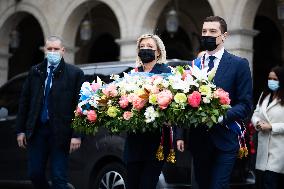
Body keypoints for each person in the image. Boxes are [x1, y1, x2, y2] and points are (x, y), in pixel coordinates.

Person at [176, 16, 253, 189]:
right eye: (204, 32)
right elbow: (182, 101)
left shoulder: (239, 64)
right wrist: (180, 133)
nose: (207, 35)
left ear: (224, 36)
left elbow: (245, 104)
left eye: (213, 31)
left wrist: (220, 117)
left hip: (225, 140)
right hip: (199, 141)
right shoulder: (194, 65)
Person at [16, 36, 84, 189]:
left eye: (56, 49)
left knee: (59, 177)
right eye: (49, 49)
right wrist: (20, 130)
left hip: (61, 133)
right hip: (37, 131)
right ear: (45, 50)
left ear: (63, 51)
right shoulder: (35, 71)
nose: (52, 52)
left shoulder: (75, 74)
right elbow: (24, 101)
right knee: (34, 174)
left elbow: (81, 105)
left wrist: (77, 134)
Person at [124, 34, 171, 189]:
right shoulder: (132, 74)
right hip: (134, 141)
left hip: (156, 140)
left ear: (158, 52)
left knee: (147, 184)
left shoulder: (167, 72)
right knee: (131, 184)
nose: (145, 49)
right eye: (142, 46)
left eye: (150, 47)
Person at [251, 66, 284, 189]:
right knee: (263, 182)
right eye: (270, 78)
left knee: (271, 182)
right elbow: (255, 114)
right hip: (263, 149)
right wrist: (258, 123)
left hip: (279, 151)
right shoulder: (264, 95)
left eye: (275, 79)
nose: (272, 81)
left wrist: (271, 127)